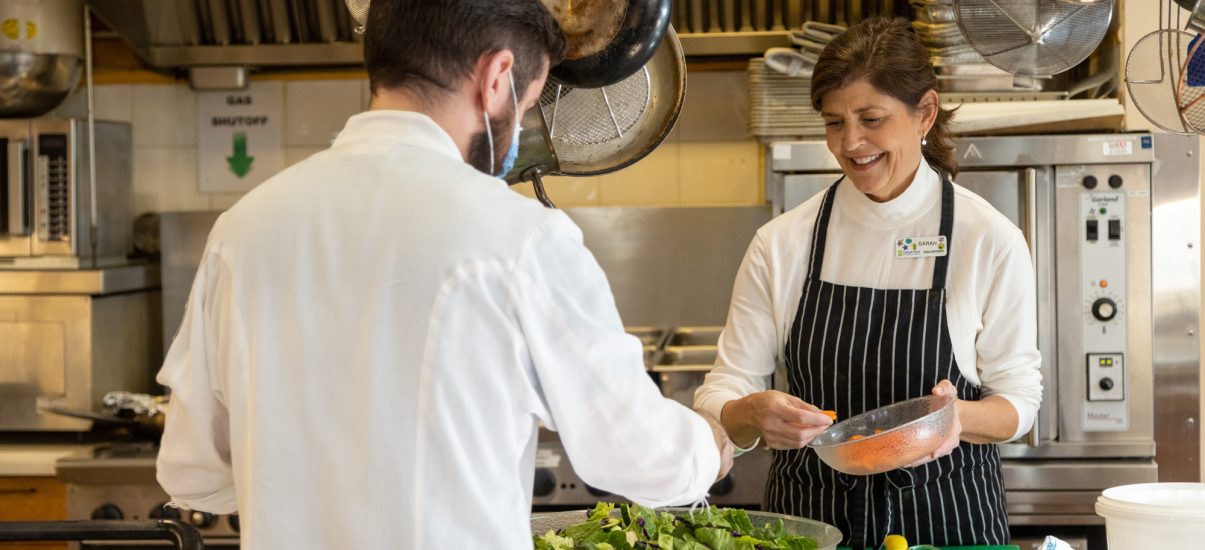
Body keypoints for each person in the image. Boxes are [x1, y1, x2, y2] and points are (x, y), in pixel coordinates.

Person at [155, 1, 733, 548]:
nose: (523, 119)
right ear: (497, 77)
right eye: (529, 101)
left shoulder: (242, 229)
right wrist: (709, 445)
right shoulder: (519, 238)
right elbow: (641, 456)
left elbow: (192, 473)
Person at [694, 17, 1042, 549]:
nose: (850, 143)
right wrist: (751, 414)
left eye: (871, 119)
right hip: (811, 524)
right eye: (834, 123)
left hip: (947, 521)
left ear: (924, 112)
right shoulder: (782, 243)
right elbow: (724, 390)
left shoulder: (989, 239)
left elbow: (1018, 401)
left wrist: (957, 419)